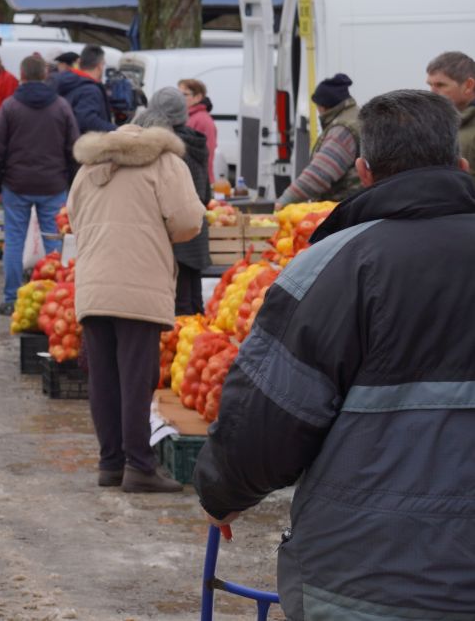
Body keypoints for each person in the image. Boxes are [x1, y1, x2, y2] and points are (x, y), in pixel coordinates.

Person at [194, 89, 475, 621]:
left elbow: (269, 417)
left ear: (364, 173)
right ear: (461, 166)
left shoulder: (335, 268)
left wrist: (222, 493)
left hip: (369, 577)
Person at [68, 121, 203, 493]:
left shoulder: (89, 167)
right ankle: (140, 466)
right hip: (139, 284)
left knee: (103, 377)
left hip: (94, 286)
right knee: (136, 377)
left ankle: (110, 464)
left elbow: (75, 219)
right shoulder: (164, 163)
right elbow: (188, 221)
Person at [0, 55, 79, 314]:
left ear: (22, 75)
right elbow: (74, 149)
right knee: (55, 243)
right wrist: (72, 184)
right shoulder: (61, 106)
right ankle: (58, 297)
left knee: (14, 241)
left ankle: (11, 298)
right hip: (53, 185)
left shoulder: (10, 107)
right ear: (45, 75)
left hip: (16, 184)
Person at [135, 89, 211, 315]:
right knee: (194, 302)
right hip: (196, 232)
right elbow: (206, 194)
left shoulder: (165, 149)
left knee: (179, 306)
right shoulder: (196, 142)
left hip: (175, 235)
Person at [275, 73, 361, 207]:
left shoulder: (343, 130)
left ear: (324, 106)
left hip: (345, 207)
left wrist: (285, 200)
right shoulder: (355, 116)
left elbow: (318, 174)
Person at [426, 50, 475, 174]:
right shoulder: (431, 126)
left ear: (469, 85)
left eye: (440, 85)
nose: (432, 92)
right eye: (430, 85)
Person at [54, 45, 115, 134]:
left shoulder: (67, 81)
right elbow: (86, 120)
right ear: (100, 66)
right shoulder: (90, 90)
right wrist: (116, 130)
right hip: (84, 140)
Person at [177, 78, 217, 178]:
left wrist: (205, 180)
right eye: (178, 94)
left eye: (185, 94)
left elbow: (208, 153)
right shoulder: (186, 116)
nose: (179, 98)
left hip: (197, 178)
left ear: (198, 97)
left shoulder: (202, 120)